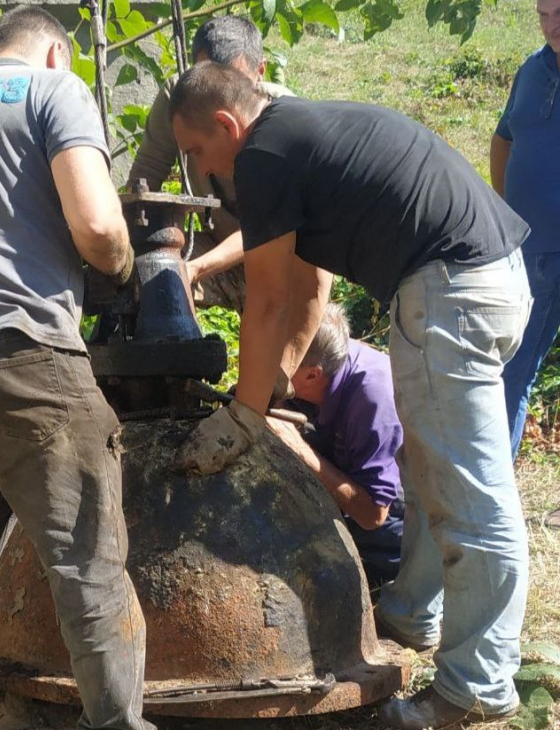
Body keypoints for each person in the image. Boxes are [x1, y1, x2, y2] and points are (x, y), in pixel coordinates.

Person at [169, 63, 532, 729]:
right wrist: (275, 383)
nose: (198, 167)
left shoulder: (266, 156)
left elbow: (270, 298)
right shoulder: (296, 134)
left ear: (226, 124)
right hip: (467, 279)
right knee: (431, 468)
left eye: (194, 151)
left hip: (450, 289)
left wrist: (245, 416)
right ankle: (413, 611)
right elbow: (306, 289)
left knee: (471, 497)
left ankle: (475, 685)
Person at [0, 7, 155, 730]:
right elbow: (100, 225)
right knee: (88, 564)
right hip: (22, 352)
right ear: (55, 54)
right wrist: (120, 268)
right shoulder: (54, 91)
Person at [128, 15, 293, 312]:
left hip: (280, 257)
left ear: (260, 72)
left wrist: (196, 268)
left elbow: (272, 228)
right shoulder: (177, 99)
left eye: (231, 83)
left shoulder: (284, 118)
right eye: (208, 81)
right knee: (152, 271)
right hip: (214, 245)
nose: (219, 102)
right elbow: (146, 176)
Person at [267, 302, 404, 586]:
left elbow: (374, 515)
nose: (266, 361)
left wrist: (301, 452)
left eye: (277, 358)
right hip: (348, 461)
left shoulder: (372, 401)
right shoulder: (319, 362)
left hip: (396, 518)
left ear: (312, 374)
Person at [491, 0, 560, 520]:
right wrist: (504, 216)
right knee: (513, 370)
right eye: (543, 14)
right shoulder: (531, 72)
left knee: (514, 373)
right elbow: (503, 139)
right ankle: (497, 494)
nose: (552, 24)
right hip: (527, 250)